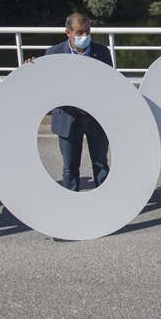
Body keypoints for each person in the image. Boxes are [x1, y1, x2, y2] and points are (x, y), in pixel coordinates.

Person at [45, 13, 113, 191]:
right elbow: (47, 85)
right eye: (79, 32)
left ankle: (104, 199)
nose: (85, 36)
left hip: (95, 118)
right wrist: (30, 68)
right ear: (68, 33)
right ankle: (71, 201)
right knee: (70, 168)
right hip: (68, 116)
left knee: (101, 165)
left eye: (87, 31)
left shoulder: (102, 52)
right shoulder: (53, 54)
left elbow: (109, 83)